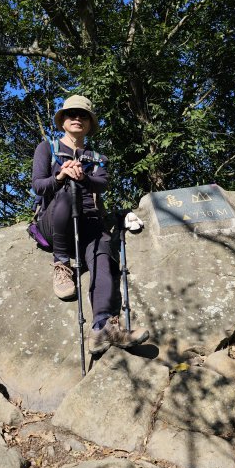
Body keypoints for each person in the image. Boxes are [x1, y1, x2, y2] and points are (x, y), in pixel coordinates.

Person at [32, 95, 149, 355]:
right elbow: (38, 184)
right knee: (67, 192)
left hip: (90, 225)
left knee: (104, 252)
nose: (77, 118)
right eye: (71, 114)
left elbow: (102, 184)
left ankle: (102, 328)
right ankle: (61, 261)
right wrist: (61, 176)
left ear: (89, 123)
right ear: (62, 120)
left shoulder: (97, 157)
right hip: (55, 222)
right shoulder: (47, 148)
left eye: (82, 115)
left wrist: (83, 176)